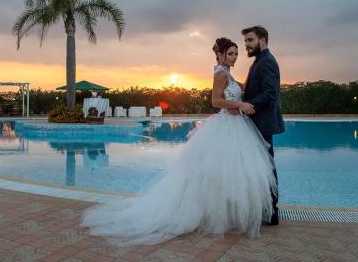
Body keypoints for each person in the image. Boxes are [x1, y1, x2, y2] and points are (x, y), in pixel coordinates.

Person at [80, 37, 277, 246]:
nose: (234, 57)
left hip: (235, 126)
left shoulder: (227, 72)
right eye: (230, 53)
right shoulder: (220, 73)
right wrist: (240, 103)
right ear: (219, 54)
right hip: (227, 125)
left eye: (236, 54)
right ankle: (212, 215)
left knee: (229, 173)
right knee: (219, 173)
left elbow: (238, 91)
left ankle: (228, 215)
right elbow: (215, 101)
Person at [241, 25, 285, 225]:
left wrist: (245, 106)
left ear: (262, 41)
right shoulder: (260, 61)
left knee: (267, 168)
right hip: (259, 123)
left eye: (250, 40)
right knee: (262, 168)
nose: (247, 45)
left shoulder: (266, 62)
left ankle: (271, 212)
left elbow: (269, 93)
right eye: (246, 42)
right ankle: (267, 209)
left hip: (263, 124)